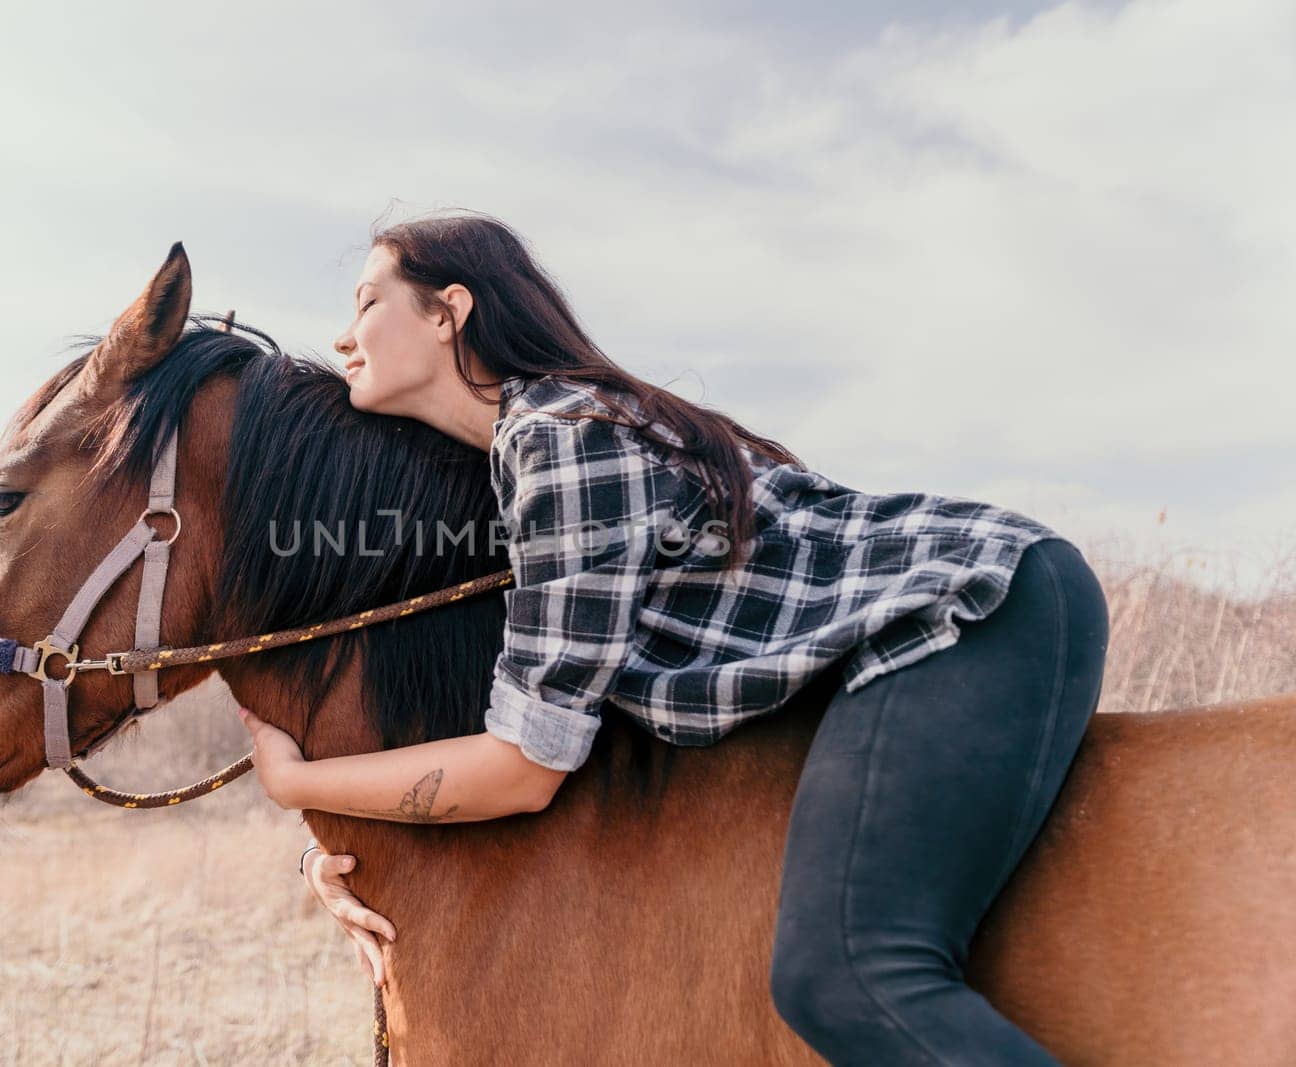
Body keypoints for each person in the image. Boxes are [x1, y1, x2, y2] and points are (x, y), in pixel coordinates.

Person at [236, 210, 1109, 1064]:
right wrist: (334, 842)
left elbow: (524, 765)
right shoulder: (523, 458)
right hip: (933, 625)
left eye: (366, 303)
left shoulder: (565, 441)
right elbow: (521, 703)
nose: (345, 336)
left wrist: (296, 781)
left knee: (844, 977)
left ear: (446, 311)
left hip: (971, 606)